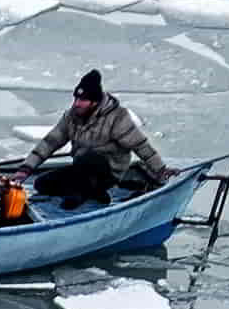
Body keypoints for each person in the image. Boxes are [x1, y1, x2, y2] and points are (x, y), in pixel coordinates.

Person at [28, 69, 170, 209]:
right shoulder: (72, 116)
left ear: (95, 102)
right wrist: (26, 168)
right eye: (76, 98)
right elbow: (51, 141)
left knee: (89, 157)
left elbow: (140, 145)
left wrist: (161, 170)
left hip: (108, 172)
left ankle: (85, 192)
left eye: (82, 100)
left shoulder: (117, 117)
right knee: (41, 184)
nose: (77, 103)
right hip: (81, 170)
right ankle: (94, 193)